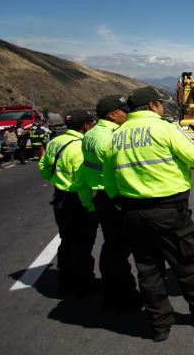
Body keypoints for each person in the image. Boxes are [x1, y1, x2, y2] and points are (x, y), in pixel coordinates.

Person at [103, 86, 194, 342]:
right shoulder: (164, 128)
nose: (161, 108)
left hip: (133, 212)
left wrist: (121, 204)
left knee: (148, 269)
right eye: (159, 104)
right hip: (169, 210)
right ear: (152, 105)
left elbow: (109, 179)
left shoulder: (117, 136)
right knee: (186, 260)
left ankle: (159, 324)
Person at [79, 94, 140, 310]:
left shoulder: (91, 134)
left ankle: (115, 292)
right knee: (119, 249)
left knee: (113, 247)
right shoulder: (110, 137)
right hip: (112, 196)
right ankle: (122, 297)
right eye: (124, 111)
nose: (128, 114)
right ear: (112, 115)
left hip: (100, 195)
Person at [38, 109, 99, 295]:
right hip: (77, 201)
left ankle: (65, 281)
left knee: (67, 241)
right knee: (83, 244)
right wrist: (89, 206)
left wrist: (58, 181)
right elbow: (81, 183)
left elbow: (43, 167)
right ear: (85, 126)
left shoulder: (56, 142)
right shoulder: (80, 146)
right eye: (92, 123)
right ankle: (83, 284)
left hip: (60, 198)